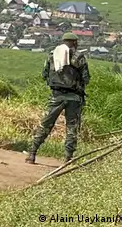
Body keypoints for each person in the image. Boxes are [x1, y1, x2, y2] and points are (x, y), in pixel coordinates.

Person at [26, 32, 89, 164]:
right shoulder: (80, 57)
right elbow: (86, 78)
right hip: (74, 97)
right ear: (75, 42)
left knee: (45, 124)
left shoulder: (52, 55)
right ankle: (67, 158)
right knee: (72, 127)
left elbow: (45, 74)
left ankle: (32, 153)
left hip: (56, 96)